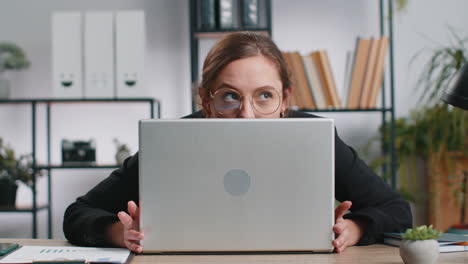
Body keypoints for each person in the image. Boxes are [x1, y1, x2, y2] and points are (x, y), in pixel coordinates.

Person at [63, 32, 412, 254]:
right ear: (205, 99)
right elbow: (77, 214)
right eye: (229, 97)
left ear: (285, 98)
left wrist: (354, 228)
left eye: (264, 96)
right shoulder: (170, 143)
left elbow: (399, 211)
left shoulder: (316, 138)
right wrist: (118, 232)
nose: (247, 114)